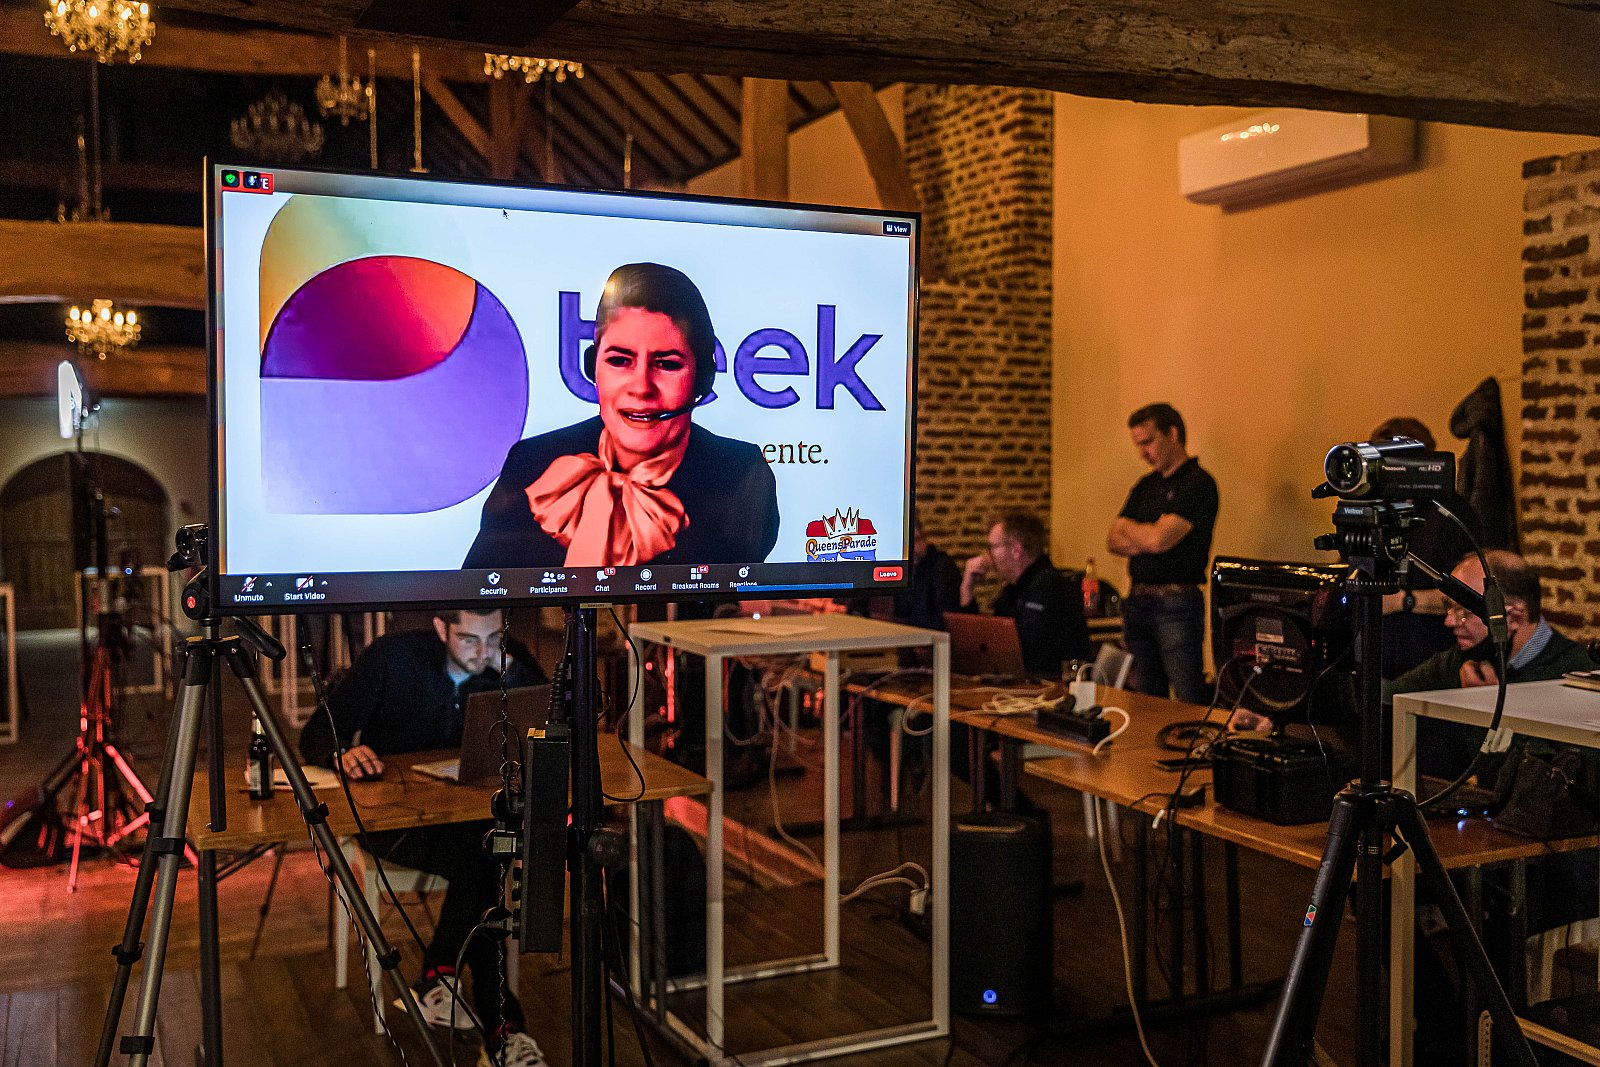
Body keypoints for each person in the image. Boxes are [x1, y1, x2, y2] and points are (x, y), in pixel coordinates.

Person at [299, 608, 550, 1067]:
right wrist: (343, 753)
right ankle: (496, 1024)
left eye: (494, 638)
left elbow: (552, 718)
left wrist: (513, 671)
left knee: (485, 851)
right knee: (487, 857)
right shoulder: (392, 658)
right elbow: (316, 734)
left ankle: (445, 985)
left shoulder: (507, 661)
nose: (483, 652)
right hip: (390, 822)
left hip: (466, 820)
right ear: (441, 628)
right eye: (469, 639)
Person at [464, 262, 779, 570]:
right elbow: (481, 590)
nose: (641, 388)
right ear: (593, 368)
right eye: (619, 361)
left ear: (702, 378)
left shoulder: (741, 474)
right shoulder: (531, 462)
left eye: (667, 364)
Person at [1384, 549, 1596, 777]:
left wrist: (1483, 707)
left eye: (1464, 611)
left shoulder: (1574, 677)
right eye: (1449, 606)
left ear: (1514, 617)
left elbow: (1521, 782)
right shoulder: (1468, 658)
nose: (1449, 621)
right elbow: (1388, 696)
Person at [1107, 402, 1218, 705]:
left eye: (1148, 442)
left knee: (1186, 694)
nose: (1143, 453)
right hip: (1137, 600)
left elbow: (1157, 541)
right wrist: (1148, 533)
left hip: (1176, 603)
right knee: (1144, 700)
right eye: (1138, 445)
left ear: (1172, 433)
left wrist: (1135, 531)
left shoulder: (1197, 483)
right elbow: (1113, 540)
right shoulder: (1145, 486)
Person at [1368, 416, 1483, 679]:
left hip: (1431, 657)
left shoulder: (1451, 514)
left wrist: (1404, 601)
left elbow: (1472, 597)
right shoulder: (1374, 511)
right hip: (1377, 655)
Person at [957, 511, 1091, 678]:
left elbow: (1018, 652)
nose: (987, 556)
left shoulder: (1048, 586)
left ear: (1016, 549)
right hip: (1027, 683)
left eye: (992, 547)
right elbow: (982, 645)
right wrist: (967, 589)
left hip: (1052, 686)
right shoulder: (1015, 588)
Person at [895, 514, 962, 632]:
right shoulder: (906, 571)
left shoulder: (942, 568)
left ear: (924, 538)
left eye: (915, 540)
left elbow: (944, 619)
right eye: (904, 544)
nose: (911, 549)